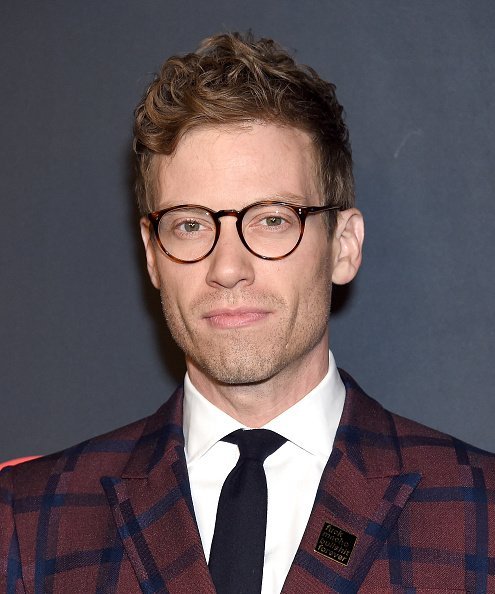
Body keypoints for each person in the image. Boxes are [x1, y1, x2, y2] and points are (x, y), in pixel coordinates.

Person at [1, 32, 494, 594]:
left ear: (344, 246)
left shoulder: (481, 516)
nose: (227, 267)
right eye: (189, 224)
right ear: (152, 255)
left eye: (272, 219)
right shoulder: (28, 522)